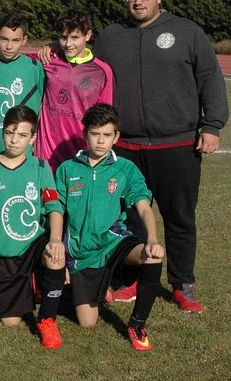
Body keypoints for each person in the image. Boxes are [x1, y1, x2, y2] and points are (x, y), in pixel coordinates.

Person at [94, 0, 229, 313]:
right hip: (126, 148)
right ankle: (131, 279)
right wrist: (52, 49)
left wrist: (211, 126)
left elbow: (210, 78)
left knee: (179, 216)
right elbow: (83, 64)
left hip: (177, 144)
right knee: (127, 219)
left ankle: (183, 283)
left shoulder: (186, 32)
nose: (137, 2)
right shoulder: (111, 36)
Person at [55, 103, 165, 351]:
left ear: (116, 137)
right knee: (87, 323)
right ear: (85, 134)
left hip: (114, 241)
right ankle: (101, 286)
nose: (100, 141)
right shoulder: (67, 169)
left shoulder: (124, 168)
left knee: (152, 258)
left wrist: (153, 239)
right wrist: (59, 248)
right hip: (82, 252)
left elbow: (144, 206)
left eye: (107, 135)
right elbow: (57, 212)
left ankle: (137, 324)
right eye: (95, 134)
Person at [0, 106, 66, 349]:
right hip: (3, 254)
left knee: (54, 256)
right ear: (2, 132)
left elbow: (54, 208)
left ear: (33, 138)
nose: (14, 140)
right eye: (10, 133)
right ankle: (32, 286)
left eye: (22, 135)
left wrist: (55, 239)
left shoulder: (41, 168)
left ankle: (47, 319)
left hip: (34, 245)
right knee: (10, 321)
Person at [35, 8, 113, 171]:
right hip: (46, 154)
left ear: (88, 35)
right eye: (63, 37)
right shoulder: (49, 59)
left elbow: (105, 118)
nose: (68, 44)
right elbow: (13, 56)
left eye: (75, 37)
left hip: (81, 154)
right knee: (48, 197)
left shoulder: (102, 71)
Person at [0, 13, 45, 162]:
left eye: (16, 40)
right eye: (4, 39)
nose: (9, 46)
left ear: (24, 40)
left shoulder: (35, 69)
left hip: (23, 155)